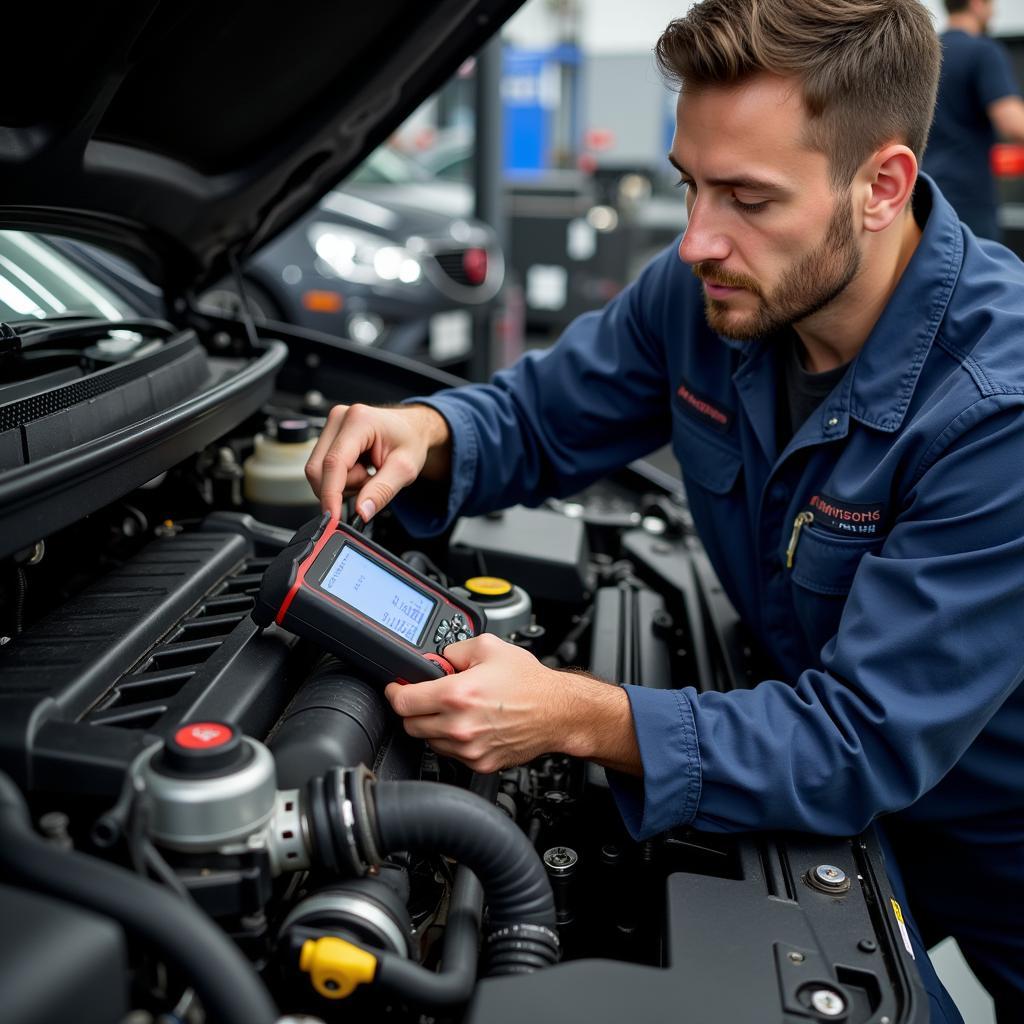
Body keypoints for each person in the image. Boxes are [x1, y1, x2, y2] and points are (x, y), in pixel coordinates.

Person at [307, 1, 1024, 1019]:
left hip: (999, 829)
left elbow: (855, 740)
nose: (695, 240)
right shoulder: (707, 296)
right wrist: (430, 429)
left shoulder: (996, 409)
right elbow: (540, 416)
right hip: (813, 779)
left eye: (746, 198)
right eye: (691, 185)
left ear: (882, 186)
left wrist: (577, 714)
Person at [923, 0, 1024, 239]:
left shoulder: (926, 53)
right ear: (977, 4)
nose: (994, 12)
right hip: (968, 202)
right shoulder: (983, 51)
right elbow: (1012, 124)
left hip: (922, 193)